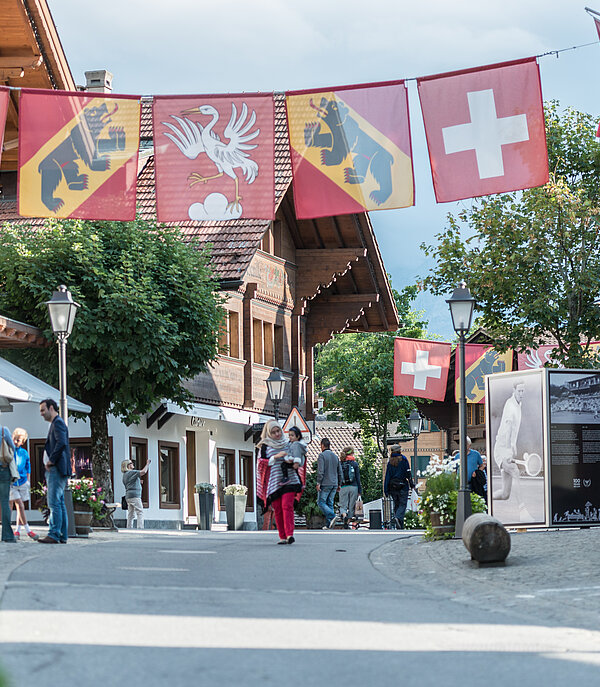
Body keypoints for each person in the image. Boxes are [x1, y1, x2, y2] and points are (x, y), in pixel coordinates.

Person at [492, 381, 532, 521]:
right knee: (515, 472)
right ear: (513, 389)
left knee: (505, 494)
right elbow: (508, 429)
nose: (522, 394)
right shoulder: (510, 406)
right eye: (519, 391)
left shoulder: (518, 404)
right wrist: (509, 448)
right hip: (502, 449)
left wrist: (513, 446)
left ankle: (483, 498)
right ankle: (524, 514)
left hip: (507, 448)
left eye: (523, 391)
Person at [258, 420, 303, 544]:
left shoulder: (288, 443)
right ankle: (282, 536)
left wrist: (293, 461)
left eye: (278, 431)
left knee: (287, 506)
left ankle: (290, 534)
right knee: (277, 508)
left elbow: (299, 455)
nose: (277, 434)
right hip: (274, 482)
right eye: (273, 432)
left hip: (290, 479)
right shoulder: (265, 446)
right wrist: (276, 456)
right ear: (268, 434)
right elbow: (261, 464)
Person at [38, 399, 71, 544]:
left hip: (56, 469)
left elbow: (61, 442)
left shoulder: (57, 423)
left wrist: (51, 460)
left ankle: (54, 534)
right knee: (59, 502)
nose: (41, 414)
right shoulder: (57, 423)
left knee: (54, 503)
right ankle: (62, 534)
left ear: (51, 408)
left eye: (42, 410)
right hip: (59, 468)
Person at [10, 428, 38, 540]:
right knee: (19, 504)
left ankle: (17, 531)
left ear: (23, 441)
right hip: (12, 483)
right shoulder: (9, 451)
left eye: (19, 440)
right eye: (15, 439)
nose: (16, 442)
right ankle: (28, 530)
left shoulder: (24, 453)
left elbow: (28, 466)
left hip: (22, 482)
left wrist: (27, 480)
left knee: (19, 507)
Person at [384, 445, 414, 529]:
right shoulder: (403, 459)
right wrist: (411, 484)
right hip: (403, 485)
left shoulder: (390, 461)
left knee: (396, 504)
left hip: (393, 486)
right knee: (402, 504)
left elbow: (387, 476)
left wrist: (386, 489)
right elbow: (408, 472)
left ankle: (400, 526)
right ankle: (398, 517)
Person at [316, 437, 343, 529]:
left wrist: (318, 482)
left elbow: (321, 471)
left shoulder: (322, 456)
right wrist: (339, 483)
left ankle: (332, 516)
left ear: (322, 445)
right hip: (334, 483)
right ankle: (329, 525)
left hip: (325, 483)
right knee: (330, 503)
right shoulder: (335, 456)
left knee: (321, 502)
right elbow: (340, 471)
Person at [0, 426, 18, 543]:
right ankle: (7, 535)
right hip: (3, 469)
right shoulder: (3, 430)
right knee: (5, 502)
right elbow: (12, 448)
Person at [121, 457, 151, 529]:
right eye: (131, 463)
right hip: (135, 496)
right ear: (127, 466)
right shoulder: (131, 472)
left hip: (128, 496)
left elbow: (130, 483)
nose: (132, 464)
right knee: (139, 511)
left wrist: (138, 482)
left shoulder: (125, 475)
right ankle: (140, 528)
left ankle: (129, 528)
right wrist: (147, 464)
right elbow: (143, 472)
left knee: (130, 514)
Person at [338, 446, 362, 529]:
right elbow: (358, 478)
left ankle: (344, 515)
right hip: (354, 487)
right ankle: (347, 523)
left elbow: (338, 476)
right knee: (352, 507)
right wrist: (360, 491)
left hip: (343, 487)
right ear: (352, 453)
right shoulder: (354, 464)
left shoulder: (340, 463)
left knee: (343, 506)